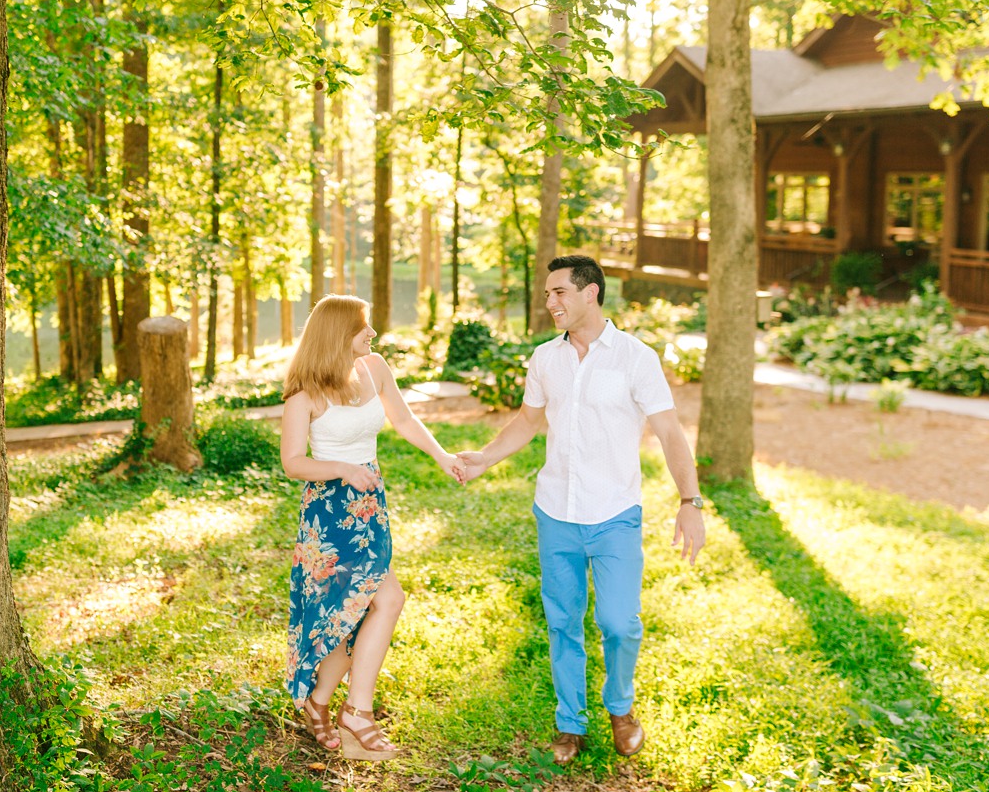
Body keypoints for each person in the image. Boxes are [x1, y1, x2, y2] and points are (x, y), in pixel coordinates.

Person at [457, 255, 706, 764]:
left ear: (591, 293)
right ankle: (570, 722)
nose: (550, 303)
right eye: (548, 294)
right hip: (556, 513)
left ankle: (620, 708)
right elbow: (528, 422)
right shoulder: (545, 358)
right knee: (562, 622)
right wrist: (484, 458)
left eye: (559, 293)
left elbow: (670, 434)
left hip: (615, 514)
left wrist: (690, 502)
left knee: (619, 623)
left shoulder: (637, 358)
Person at [281, 294, 464, 761]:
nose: (372, 334)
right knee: (360, 606)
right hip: (329, 514)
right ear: (339, 333)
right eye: (364, 327)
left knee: (367, 606)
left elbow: (402, 417)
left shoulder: (375, 368)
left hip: (369, 507)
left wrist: (443, 456)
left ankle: (331, 705)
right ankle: (345, 708)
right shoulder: (305, 394)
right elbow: (293, 463)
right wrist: (342, 468)